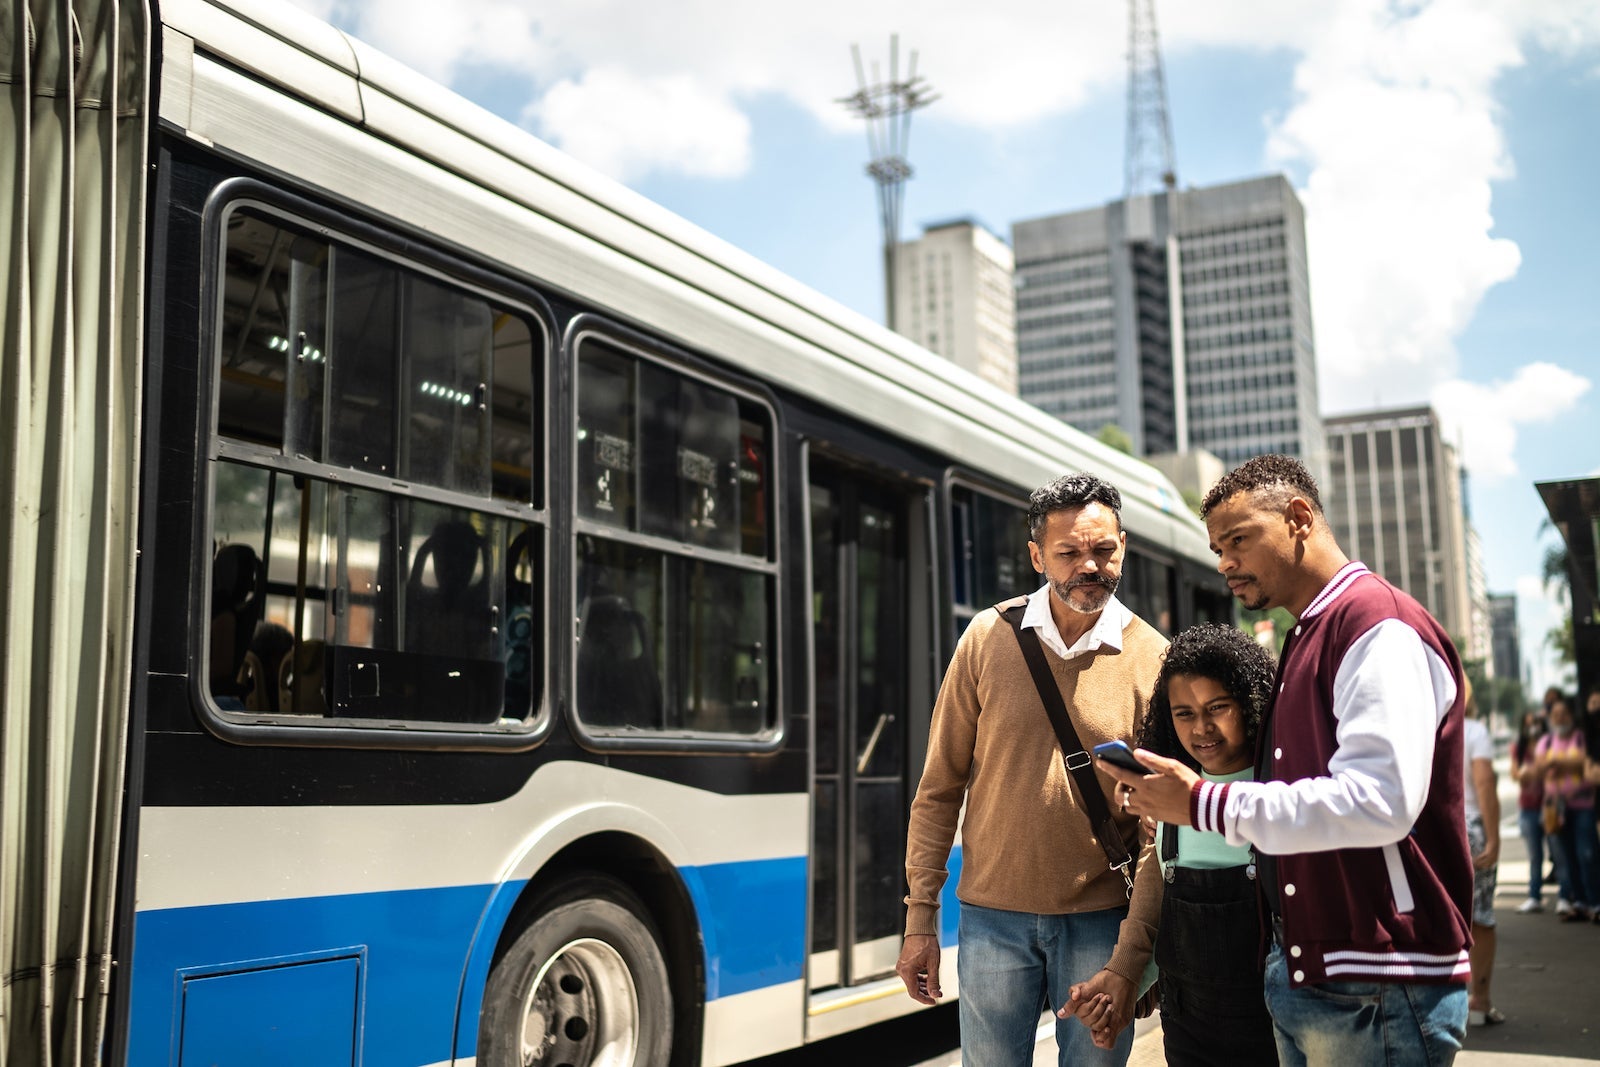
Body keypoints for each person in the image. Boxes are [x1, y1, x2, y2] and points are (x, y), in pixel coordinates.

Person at [1100, 454, 1473, 1066]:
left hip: (1378, 980)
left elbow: (1381, 801)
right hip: (1321, 977)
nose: (1224, 564)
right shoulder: (1311, 633)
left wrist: (1200, 802)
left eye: (1238, 541)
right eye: (1218, 548)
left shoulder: (1375, 626)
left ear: (1299, 517)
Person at [895, 473, 1169, 1066]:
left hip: (1102, 925)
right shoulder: (986, 638)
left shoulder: (1155, 660)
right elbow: (938, 789)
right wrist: (920, 917)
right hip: (991, 919)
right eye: (1069, 553)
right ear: (1037, 555)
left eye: (1103, 550)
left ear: (1124, 546)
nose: (1088, 567)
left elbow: (1158, 832)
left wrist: (1134, 952)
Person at [1066, 623, 1280, 1064]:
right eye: (1184, 713)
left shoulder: (1280, 798)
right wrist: (1120, 980)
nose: (1202, 728)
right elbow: (1152, 909)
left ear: (1251, 703)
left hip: (1276, 1028)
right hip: (1188, 1033)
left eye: (1218, 707)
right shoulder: (1167, 803)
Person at [1461, 682, 1503, 1026]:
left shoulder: (1425, 729)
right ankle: (1480, 999)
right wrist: (1494, 839)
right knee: (1481, 917)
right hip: (1472, 827)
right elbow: (1485, 783)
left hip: (1435, 832)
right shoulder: (1473, 731)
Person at [1536, 692, 1599, 923]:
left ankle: (1595, 901)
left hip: (1582, 805)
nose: (1560, 718)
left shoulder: (1582, 738)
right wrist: (1566, 764)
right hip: (1556, 810)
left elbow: (1584, 760)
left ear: (1572, 716)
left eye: (1564, 714)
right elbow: (1538, 768)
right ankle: (1578, 902)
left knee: (1588, 854)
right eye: (1556, 714)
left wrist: (1556, 762)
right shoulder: (1546, 741)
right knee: (1567, 858)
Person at [1510, 709, 1550, 912]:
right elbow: (1515, 774)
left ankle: (1569, 897)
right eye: (1528, 724)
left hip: (1551, 805)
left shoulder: (1549, 744)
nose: (1532, 727)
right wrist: (1527, 773)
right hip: (1528, 808)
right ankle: (1534, 895)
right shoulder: (1519, 747)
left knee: (1561, 855)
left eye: (1535, 722)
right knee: (1535, 856)